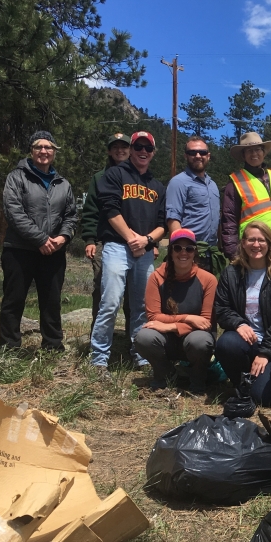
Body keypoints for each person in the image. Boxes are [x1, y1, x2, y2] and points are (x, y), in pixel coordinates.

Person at [89, 130, 167, 373]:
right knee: (110, 302)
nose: (143, 152)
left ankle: (141, 355)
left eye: (148, 148)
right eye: (139, 147)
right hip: (116, 247)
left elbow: (163, 223)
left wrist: (146, 241)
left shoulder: (157, 186)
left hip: (144, 251)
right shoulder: (114, 174)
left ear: (153, 153)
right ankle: (99, 358)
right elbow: (109, 209)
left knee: (142, 306)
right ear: (131, 150)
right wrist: (132, 238)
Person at [0, 130, 78, 352]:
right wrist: (42, 239)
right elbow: (14, 213)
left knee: (51, 302)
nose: (44, 151)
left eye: (49, 147)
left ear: (55, 152)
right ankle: (9, 349)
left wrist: (63, 237)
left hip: (54, 251)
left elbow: (71, 215)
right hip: (19, 249)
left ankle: (52, 346)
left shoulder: (63, 183)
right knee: (14, 300)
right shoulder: (17, 177)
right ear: (31, 151)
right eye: (39, 147)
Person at [214, 221, 271, 407]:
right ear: (243, 243)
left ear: (269, 243)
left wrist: (265, 353)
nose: (256, 245)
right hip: (245, 341)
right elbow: (221, 308)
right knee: (226, 343)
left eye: (261, 240)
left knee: (265, 399)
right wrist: (238, 323)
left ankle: (259, 381)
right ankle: (242, 383)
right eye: (251, 239)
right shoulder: (231, 273)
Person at [133, 228, 217, 394]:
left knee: (200, 342)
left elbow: (206, 322)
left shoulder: (208, 280)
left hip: (195, 338)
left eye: (189, 248)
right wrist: (188, 318)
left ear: (195, 253)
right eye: (177, 248)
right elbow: (153, 317)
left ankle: (197, 379)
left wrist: (172, 326)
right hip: (167, 340)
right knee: (144, 337)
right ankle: (164, 374)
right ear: (171, 252)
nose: (183, 253)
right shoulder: (157, 277)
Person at [82, 133, 132, 340]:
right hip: (105, 241)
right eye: (115, 147)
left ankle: (134, 340)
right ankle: (99, 338)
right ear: (109, 151)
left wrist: (152, 242)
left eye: (124, 147)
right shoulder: (99, 178)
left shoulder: (139, 175)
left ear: (130, 150)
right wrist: (90, 240)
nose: (120, 150)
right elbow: (91, 210)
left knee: (134, 292)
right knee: (102, 289)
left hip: (135, 243)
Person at [220, 131, 271, 260]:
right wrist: (233, 253)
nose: (254, 154)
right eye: (249, 150)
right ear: (243, 155)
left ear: (264, 152)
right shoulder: (235, 182)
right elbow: (229, 221)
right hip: (255, 249)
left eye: (257, 149)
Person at [165, 136, 222, 273]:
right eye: (192, 153)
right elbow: (173, 219)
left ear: (208, 156)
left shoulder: (213, 185)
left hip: (210, 254)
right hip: (189, 253)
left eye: (202, 152)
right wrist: (182, 251)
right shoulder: (178, 182)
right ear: (186, 156)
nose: (198, 156)